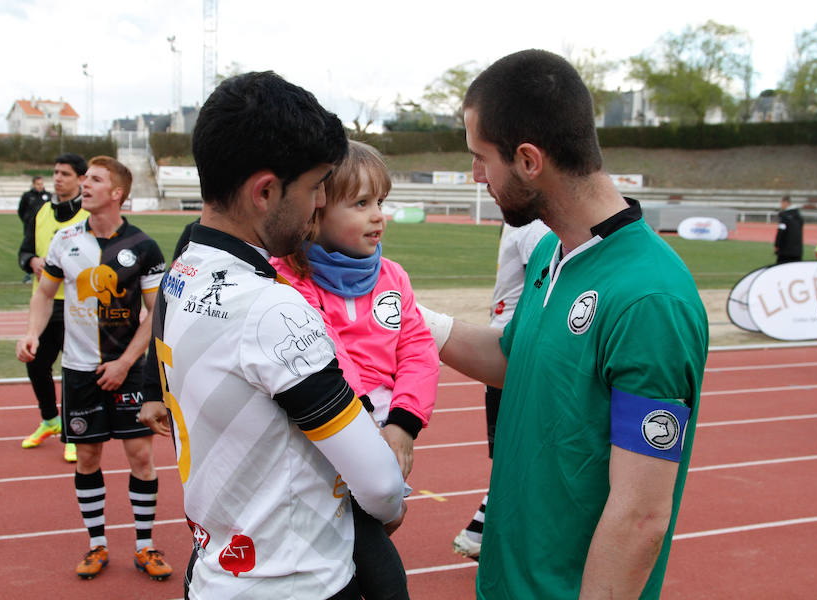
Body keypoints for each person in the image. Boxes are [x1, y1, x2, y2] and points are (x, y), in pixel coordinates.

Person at [418, 50, 708, 599]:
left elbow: (641, 518)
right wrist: (408, 316)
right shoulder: (553, 249)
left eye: (482, 158)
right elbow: (514, 359)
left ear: (529, 160)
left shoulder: (649, 298)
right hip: (505, 581)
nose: (477, 175)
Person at [138, 72, 407, 600]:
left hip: (217, 569)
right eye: (314, 187)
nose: (318, 203)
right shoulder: (270, 307)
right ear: (265, 191)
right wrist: (393, 504)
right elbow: (378, 482)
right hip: (297, 581)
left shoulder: (181, 269)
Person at [272, 140, 438, 599]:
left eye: (380, 202)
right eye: (361, 204)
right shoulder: (289, 279)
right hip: (332, 432)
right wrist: (365, 429)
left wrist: (404, 425)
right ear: (317, 211)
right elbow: (328, 355)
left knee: (378, 556)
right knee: (363, 562)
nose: (378, 216)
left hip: (387, 434)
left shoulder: (392, 276)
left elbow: (419, 349)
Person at [16, 156, 172, 581]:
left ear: (117, 193)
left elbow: (156, 314)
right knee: (87, 457)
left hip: (129, 370)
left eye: (95, 180)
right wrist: (32, 331)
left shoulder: (143, 246)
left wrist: (125, 362)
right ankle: (97, 544)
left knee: (140, 457)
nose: (85, 185)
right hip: (80, 371)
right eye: (84, 179)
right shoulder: (65, 240)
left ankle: (145, 546)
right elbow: (45, 293)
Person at [450, 219, 549, 561]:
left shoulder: (530, 226)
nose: (480, 177)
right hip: (509, 349)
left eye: (483, 162)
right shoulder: (527, 225)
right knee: (517, 455)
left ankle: (487, 532)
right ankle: (489, 533)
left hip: (513, 350)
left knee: (519, 454)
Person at [17, 153, 89, 461]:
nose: (57, 178)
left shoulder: (87, 216)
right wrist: (32, 261)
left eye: (65, 174)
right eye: (55, 172)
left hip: (77, 307)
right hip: (44, 304)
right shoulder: (40, 211)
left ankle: (74, 432)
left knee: (74, 371)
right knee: (35, 363)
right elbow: (24, 252)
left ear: (80, 179)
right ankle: (50, 419)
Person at [774, 195, 803, 264]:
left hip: (785, 251)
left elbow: (781, 231)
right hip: (797, 250)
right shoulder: (798, 216)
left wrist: (777, 245)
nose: (781, 205)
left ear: (786, 203)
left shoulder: (784, 216)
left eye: (781, 203)